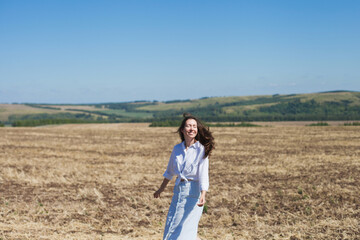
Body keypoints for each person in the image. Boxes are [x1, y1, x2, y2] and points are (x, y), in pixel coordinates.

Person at [154, 113, 215, 240]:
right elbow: (169, 172)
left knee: (184, 228)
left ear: (197, 129)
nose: (192, 129)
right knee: (171, 224)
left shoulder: (201, 149)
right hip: (178, 190)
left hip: (193, 192)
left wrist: (203, 194)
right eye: (188, 126)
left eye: (194, 126)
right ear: (183, 130)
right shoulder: (177, 149)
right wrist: (161, 189)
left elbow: (203, 174)